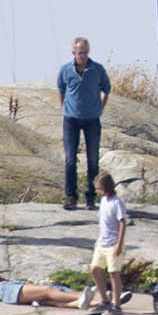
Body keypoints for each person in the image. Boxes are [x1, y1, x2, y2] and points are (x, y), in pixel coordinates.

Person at [57, 37, 112, 211]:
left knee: (93, 159)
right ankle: (71, 197)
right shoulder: (65, 70)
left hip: (92, 120)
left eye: (85, 52)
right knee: (70, 159)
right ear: (74, 53)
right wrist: (65, 108)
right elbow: (61, 90)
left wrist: (99, 108)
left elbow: (106, 89)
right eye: (80, 52)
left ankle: (91, 197)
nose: (83, 55)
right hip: (71, 120)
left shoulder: (97, 69)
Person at [0, 261, 95, 310]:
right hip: (9, 290)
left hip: (10, 292)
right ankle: (80, 296)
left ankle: (88, 303)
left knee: (49, 298)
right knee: (47, 290)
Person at [90, 172, 128, 315]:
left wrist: (119, 244)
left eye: (99, 188)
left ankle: (117, 305)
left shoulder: (117, 202)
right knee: (95, 269)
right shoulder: (104, 201)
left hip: (113, 243)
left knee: (113, 273)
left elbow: (123, 223)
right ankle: (105, 300)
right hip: (102, 242)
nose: (98, 191)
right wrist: (98, 240)